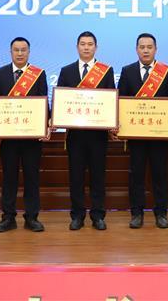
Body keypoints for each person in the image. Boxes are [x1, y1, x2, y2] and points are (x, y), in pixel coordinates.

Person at [0, 37, 48, 233]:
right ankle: (8, 217)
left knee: (32, 178)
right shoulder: (0, 73)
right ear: (10, 52)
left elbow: (44, 102)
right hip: (8, 138)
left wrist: (47, 124)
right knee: (9, 178)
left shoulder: (38, 74)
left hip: (32, 138)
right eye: (16, 50)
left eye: (23, 50)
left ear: (29, 52)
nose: (20, 53)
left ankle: (32, 217)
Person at [118, 33, 168, 229]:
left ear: (155, 49)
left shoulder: (166, 71)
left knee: (160, 175)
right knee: (136, 176)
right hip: (136, 136)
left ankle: (161, 213)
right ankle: (136, 213)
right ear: (136, 49)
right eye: (142, 47)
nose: (146, 50)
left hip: (159, 136)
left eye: (149, 47)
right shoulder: (127, 71)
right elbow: (120, 102)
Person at [56, 31, 116, 231]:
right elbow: (61, 101)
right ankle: (77, 215)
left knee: (98, 176)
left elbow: (111, 100)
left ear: (96, 47)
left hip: (98, 134)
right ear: (77, 47)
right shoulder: (66, 71)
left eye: (90, 44)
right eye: (83, 44)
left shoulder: (106, 71)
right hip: (75, 135)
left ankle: (98, 215)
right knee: (76, 177)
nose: (86, 47)